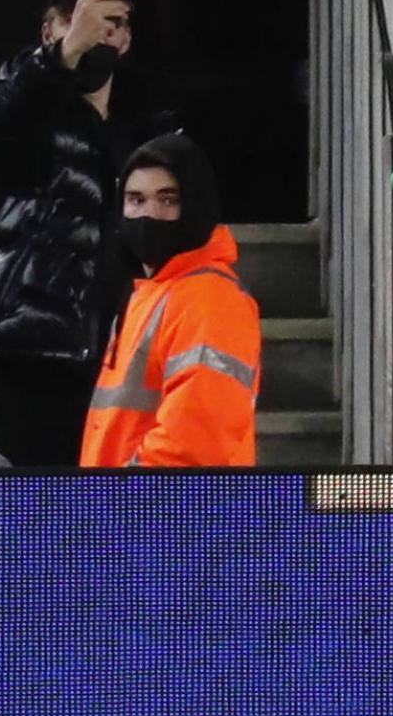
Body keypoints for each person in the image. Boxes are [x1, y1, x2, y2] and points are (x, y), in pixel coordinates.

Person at [0, 0, 172, 465]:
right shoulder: (18, 98)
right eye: (76, 16)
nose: (95, 29)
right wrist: (63, 57)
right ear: (49, 29)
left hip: (120, 368)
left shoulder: (146, 129)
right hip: (31, 363)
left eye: (111, 18)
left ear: (125, 36)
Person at [79, 133, 260, 467]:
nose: (149, 214)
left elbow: (194, 441)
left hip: (169, 512)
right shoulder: (151, 294)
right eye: (135, 200)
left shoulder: (209, 299)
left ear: (196, 205)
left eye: (168, 199)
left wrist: (119, 506)